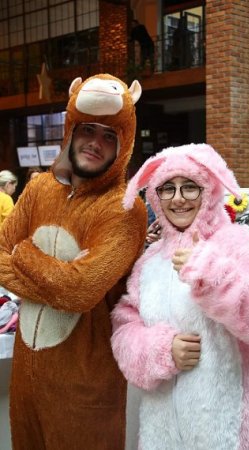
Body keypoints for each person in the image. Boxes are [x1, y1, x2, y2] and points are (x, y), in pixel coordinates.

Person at [0, 73, 147, 450]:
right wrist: (57, 274)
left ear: (123, 144)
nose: (95, 143)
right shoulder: (38, 189)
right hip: (26, 380)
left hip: (85, 387)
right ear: (71, 129)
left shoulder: (124, 209)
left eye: (109, 136)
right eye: (88, 130)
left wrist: (24, 253)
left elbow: (79, 292)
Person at [111, 143, 249, 450]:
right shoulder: (150, 261)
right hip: (161, 436)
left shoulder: (236, 244)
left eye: (189, 187)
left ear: (209, 190)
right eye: (167, 188)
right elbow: (125, 328)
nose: (178, 198)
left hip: (230, 436)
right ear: (154, 195)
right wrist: (161, 350)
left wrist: (212, 276)